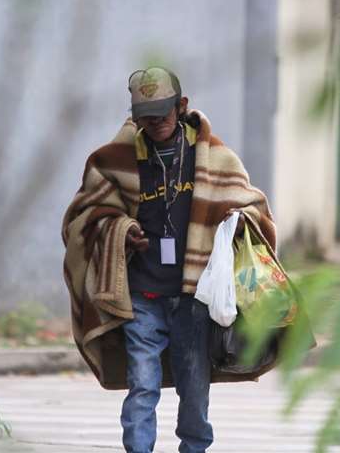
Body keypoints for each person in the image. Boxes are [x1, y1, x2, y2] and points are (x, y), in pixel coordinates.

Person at [61, 67, 278, 453]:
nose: (155, 123)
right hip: (142, 296)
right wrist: (121, 229)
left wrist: (233, 223)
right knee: (141, 383)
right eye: (145, 116)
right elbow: (85, 216)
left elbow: (253, 206)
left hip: (191, 298)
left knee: (194, 389)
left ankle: (194, 448)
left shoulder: (213, 156)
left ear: (181, 106)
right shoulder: (117, 160)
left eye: (162, 113)